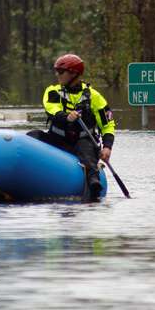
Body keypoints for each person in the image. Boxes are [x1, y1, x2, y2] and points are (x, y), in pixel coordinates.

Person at [27, 54, 116, 202]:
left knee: (87, 151)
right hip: (57, 138)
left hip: (82, 140)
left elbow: (108, 125)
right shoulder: (53, 91)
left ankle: (93, 182)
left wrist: (107, 147)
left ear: (74, 74)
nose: (58, 75)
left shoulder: (94, 97)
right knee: (32, 136)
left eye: (61, 72)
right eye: (57, 71)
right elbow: (52, 109)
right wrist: (66, 117)